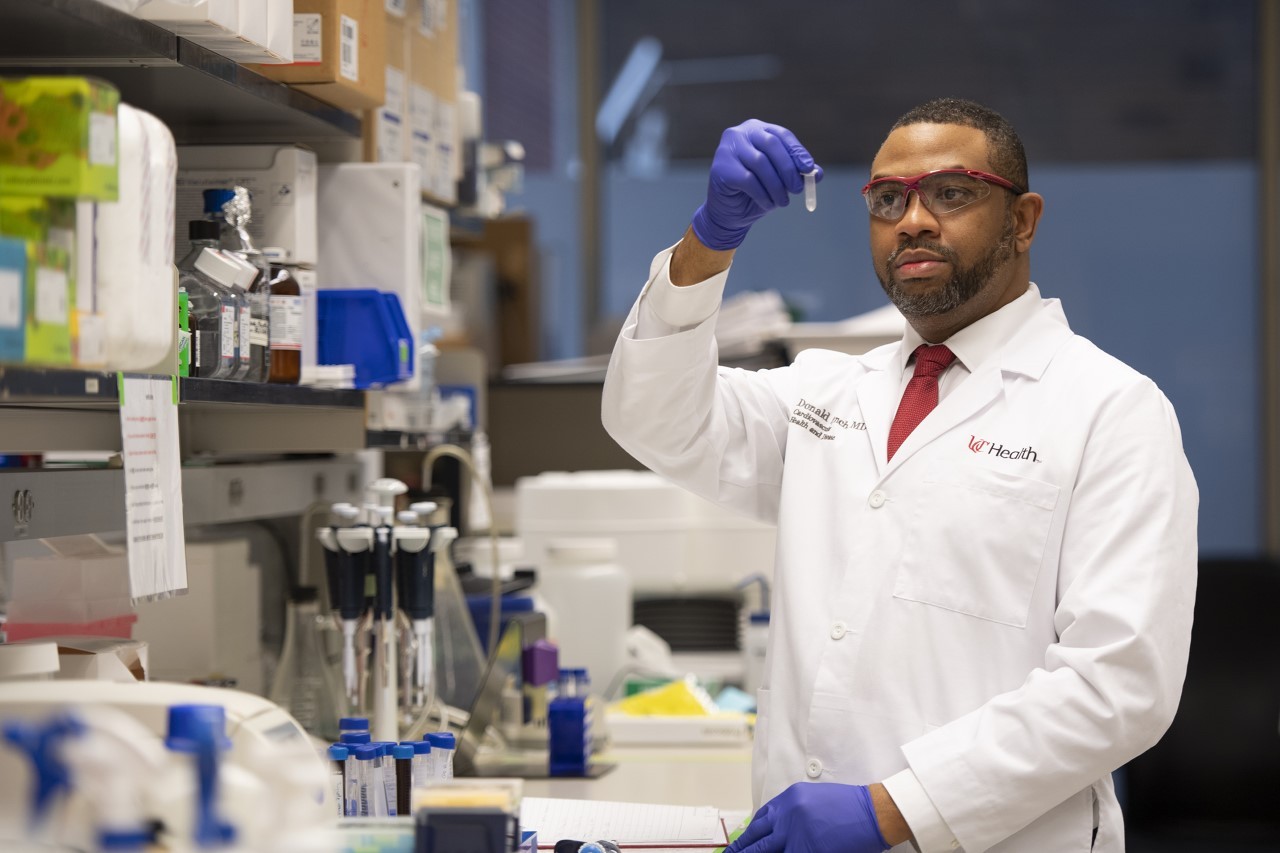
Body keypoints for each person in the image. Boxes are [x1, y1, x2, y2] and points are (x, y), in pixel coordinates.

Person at [600, 98, 1198, 853]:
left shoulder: (1112, 410)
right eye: (888, 199)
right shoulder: (825, 391)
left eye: (951, 192)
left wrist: (894, 809)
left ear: (1023, 220)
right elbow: (652, 418)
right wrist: (708, 242)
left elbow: (1118, 686)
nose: (912, 219)